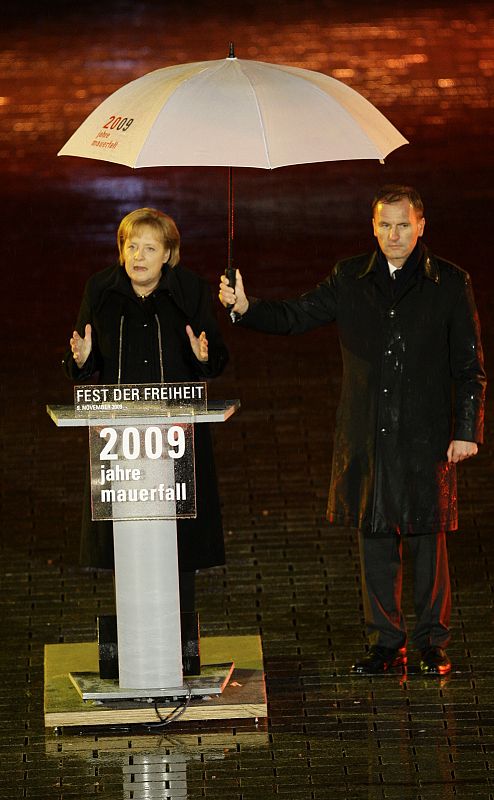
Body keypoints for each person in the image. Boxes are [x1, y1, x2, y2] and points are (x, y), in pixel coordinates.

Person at [219, 184, 486, 675]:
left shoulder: (448, 282)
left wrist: (466, 429)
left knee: (428, 540)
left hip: (427, 434)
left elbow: (469, 367)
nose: (394, 234)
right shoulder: (351, 278)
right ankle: (385, 643)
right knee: (376, 536)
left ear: (421, 226)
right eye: (385, 225)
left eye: (403, 225)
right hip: (367, 433)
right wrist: (245, 306)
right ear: (373, 227)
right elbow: (298, 315)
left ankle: (431, 644)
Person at [64, 207, 229, 616]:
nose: (138, 256)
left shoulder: (189, 289)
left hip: (176, 439)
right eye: (130, 246)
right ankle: (135, 629)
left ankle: (180, 634)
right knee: (128, 534)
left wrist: (203, 358)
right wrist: (83, 361)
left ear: (168, 254)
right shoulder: (101, 289)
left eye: (149, 248)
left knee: (179, 539)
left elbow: (216, 359)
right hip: (120, 441)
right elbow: (82, 364)